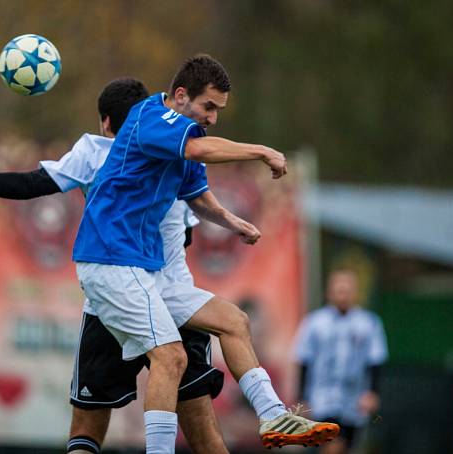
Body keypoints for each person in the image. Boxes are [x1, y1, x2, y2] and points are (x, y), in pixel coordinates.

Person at [0, 78, 230, 454]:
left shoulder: (94, 151)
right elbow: (185, 236)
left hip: (109, 299)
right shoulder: (177, 156)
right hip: (172, 300)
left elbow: (30, 184)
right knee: (203, 434)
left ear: (105, 122)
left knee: (87, 430)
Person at [71, 54, 339, 453]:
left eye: (219, 109)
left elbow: (198, 198)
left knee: (234, 321)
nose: (213, 117)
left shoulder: (187, 135)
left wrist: (235, 223)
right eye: (208, 106)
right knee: (170, 359)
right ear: (180, 96)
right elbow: (199, 151)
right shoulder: (150, 119)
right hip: (112, 264)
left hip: (148, 271)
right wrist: (261, 151)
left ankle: (273, 417)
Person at [293, 269, 388, 454]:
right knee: (333, 443)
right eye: (338, 290)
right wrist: (302, 397)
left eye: (347, 290)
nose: (342, 295)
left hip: (353, 399)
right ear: (329, 292)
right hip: (322, 397)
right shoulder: (315, 322)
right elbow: (304, 359)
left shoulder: (368, 323)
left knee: (347, 445)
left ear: (355, 292)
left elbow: (375, 359)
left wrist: (373, 392)